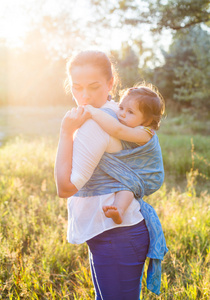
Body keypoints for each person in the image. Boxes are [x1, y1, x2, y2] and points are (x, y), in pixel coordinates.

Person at [55, 50, 167, 299]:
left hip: (117, 235)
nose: (83, 97)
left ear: (110, 83)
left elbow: (65, 187)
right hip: (111, 233)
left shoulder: (98, 121)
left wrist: (65, 132)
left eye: (93, 87)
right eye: (76, 87)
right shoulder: (116, 112)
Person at [84, 84, 165, 224]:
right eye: (121, 108)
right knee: (124, 184)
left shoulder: (145, 133)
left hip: (148, 174)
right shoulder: (130, 123)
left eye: (130, 112)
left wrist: (93, 111)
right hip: (135, 169)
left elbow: (117, 131)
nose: (121, 113)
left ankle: (119, 209)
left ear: (147, 121)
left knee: (127, 186)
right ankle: (116, 209)